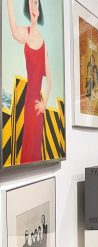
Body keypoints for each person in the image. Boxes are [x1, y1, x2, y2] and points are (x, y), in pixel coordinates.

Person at [7, 0, 52, 164]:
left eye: (36, 4)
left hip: (38, 108)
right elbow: (13, 30)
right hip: (28, 103)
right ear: (28, 9)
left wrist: (44, 103)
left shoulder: (44, 45)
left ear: (39, 11)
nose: (34, 8)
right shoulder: (25, 34)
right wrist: (9, 3)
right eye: (31, 4)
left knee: (35, 149)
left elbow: (50, 81)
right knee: (27, 147)